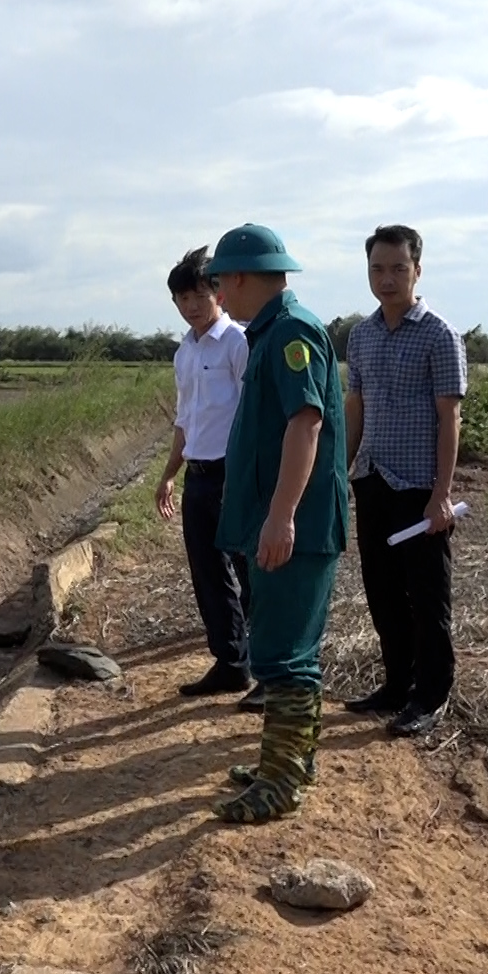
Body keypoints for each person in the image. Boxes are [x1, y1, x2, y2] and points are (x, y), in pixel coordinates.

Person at [207, 223, 349, 825]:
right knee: (287, 648)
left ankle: (281, 784)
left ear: (239, 278)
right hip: (285, 521)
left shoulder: (291, 332)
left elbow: (306, 422)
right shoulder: (270, 333)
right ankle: (290, 763)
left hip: (299, 524)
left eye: (218, 282)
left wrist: (282, 515)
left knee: (285, 656)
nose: (217, 295)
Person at [342, 224, 466, 738]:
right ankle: (397, 684)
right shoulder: (361, 336)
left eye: (397, 268)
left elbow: (449, 419)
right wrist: (341, 470)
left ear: (418, 269)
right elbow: (356, 408)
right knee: (383, 591)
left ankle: (431, 696)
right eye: (377, 268)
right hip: (372, 480)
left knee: (426, 596)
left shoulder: (439, 335)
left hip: (419, 490)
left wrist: (441, 495)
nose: (386, 279)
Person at [154, 246, 258, 708]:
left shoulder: (238, 342)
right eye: (182, 297)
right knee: (208, 571)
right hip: (198, 474)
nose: (192, 305)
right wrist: (168, 474)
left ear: (217, 292)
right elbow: (184, 420)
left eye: (199, 293)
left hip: (233, 473)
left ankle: (258, 660)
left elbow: (254, 414)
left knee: (245, 570)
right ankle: (231, 662)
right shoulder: (185, 353)